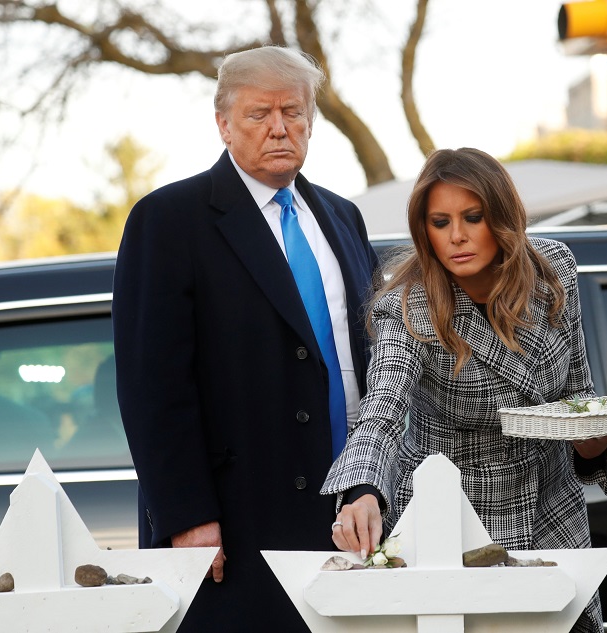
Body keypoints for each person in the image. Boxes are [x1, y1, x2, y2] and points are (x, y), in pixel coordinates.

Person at [321, 147, 607, 633]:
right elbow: (382, 411)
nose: (457, 237)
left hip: (551, 510)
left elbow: (580, 394)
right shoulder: (409, 307)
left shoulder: (554, 271)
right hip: (454, 520)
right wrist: (362, 492)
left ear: (502, 216)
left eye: (473, 217)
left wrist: (593, 438)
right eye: (439, 221)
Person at [113, 46, 378, 632]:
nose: (279, 128)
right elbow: (151, 385)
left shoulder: (343, 217)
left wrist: (373, 484)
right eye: (259, 114)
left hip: (354, 516)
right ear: (223, 123)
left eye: (294, 111)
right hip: (234, 526)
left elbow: (374, 363)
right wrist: (187, 516)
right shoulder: (168, 220)